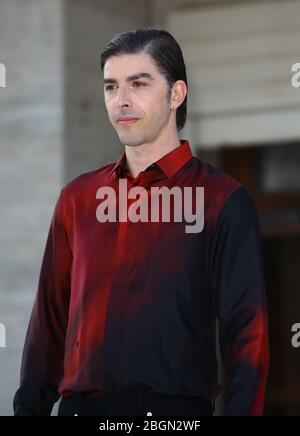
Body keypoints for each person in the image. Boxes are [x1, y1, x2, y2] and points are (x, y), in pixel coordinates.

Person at [14, 27, 269, 416]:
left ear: (176, 94)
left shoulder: (223, 201)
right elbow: (48, 325)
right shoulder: (77, 199)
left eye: (138, 84)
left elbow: (247, 337)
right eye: (111, 87)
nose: (122, 101)